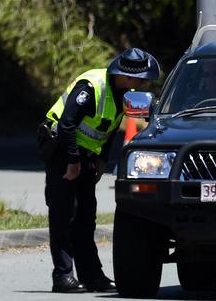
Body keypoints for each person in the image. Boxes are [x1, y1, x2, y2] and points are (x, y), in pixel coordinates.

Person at [41, 48, 160, 293]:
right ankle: (62, 277)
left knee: (86, 218)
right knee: (64, 216)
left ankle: (92, 276)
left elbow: (107, 130)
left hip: (86, 157)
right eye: (141, 79)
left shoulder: (122, 93)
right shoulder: (92, 86)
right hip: (62, 151)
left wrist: (102, 160)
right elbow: (66, 125)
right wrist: (73, 163)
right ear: (126, 76)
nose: (143, 84)